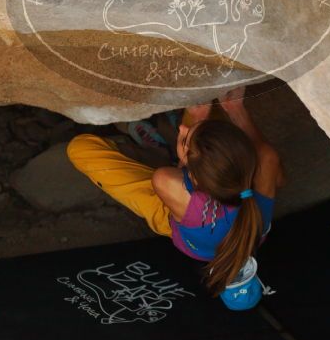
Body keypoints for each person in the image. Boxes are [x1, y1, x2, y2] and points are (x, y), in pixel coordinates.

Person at [66, 86, 285, 297]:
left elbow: (266, 158)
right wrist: (233, 107)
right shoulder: (231, 210)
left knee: (80, 148)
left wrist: (198, 116)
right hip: (190, 199)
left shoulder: (252, 220)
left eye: (184, 138)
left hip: (172, 214)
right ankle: (166, 140)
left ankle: (160, 145)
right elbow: (267, 159)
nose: (183, 129)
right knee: (80, 150)